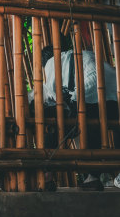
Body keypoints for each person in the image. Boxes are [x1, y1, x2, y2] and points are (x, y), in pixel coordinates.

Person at [37, 45, 119, 190]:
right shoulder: (83, 54)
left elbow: (51, 95)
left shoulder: (52, 63)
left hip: (89, 94)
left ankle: (47, 176)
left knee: (54, 123)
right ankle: (92, 177)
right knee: (92, 125)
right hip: (114, 97)